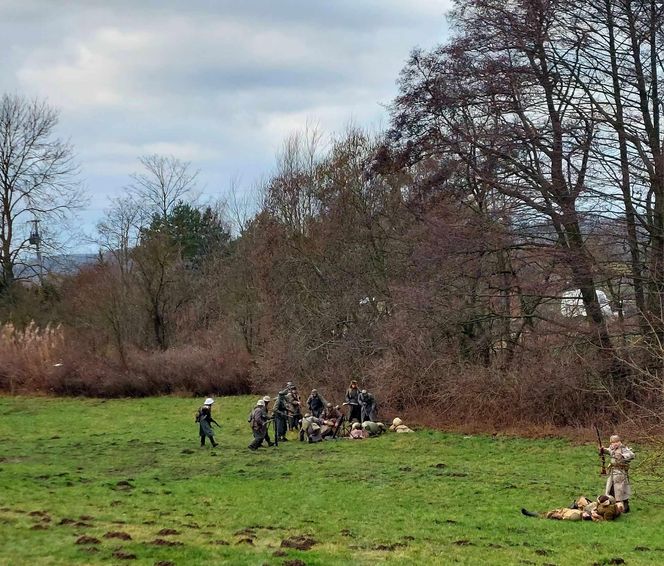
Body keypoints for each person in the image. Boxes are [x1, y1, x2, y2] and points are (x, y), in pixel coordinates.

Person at [600, 434, 635, 512]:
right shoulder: (612, 448)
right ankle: (613, 505)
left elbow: (632, 455)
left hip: (621, 472)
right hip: (613, 471)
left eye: (616, 442)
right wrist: (602, 450)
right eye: (613, 442)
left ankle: (625, 506)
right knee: (611, 488)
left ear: (619, 442)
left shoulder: (623, 448)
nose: (615, 443)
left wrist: (623, 456)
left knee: (621, 489)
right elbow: (608, 451)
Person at [521, 495, 622, 521]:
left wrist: (594, 516)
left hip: (585, 515)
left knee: (568, 514)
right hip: (585, 511)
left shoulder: (609, 511)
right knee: (563, 510)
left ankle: (541, 515)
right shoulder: (604, 506)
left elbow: (606, 521)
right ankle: (541, 514)